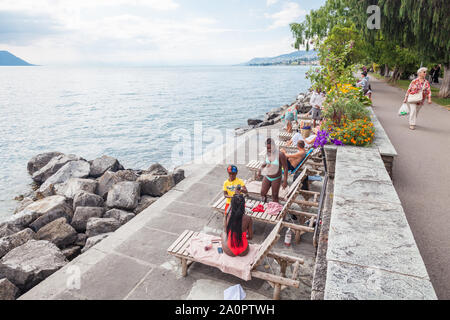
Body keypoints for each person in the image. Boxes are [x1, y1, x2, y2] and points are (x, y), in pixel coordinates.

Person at [258, 138, 289, 203]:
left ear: (274, 146)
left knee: (274, 196)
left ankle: (275, 209)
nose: (268, 150)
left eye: (270, 148)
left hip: (276, 178)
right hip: (267, 176)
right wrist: (260, 170)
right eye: (267, 148)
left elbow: (285, 168)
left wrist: (285, 181)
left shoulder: (280, 155)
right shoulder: (268, 153)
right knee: (263, 193)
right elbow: (265, 163)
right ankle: (264, 204)